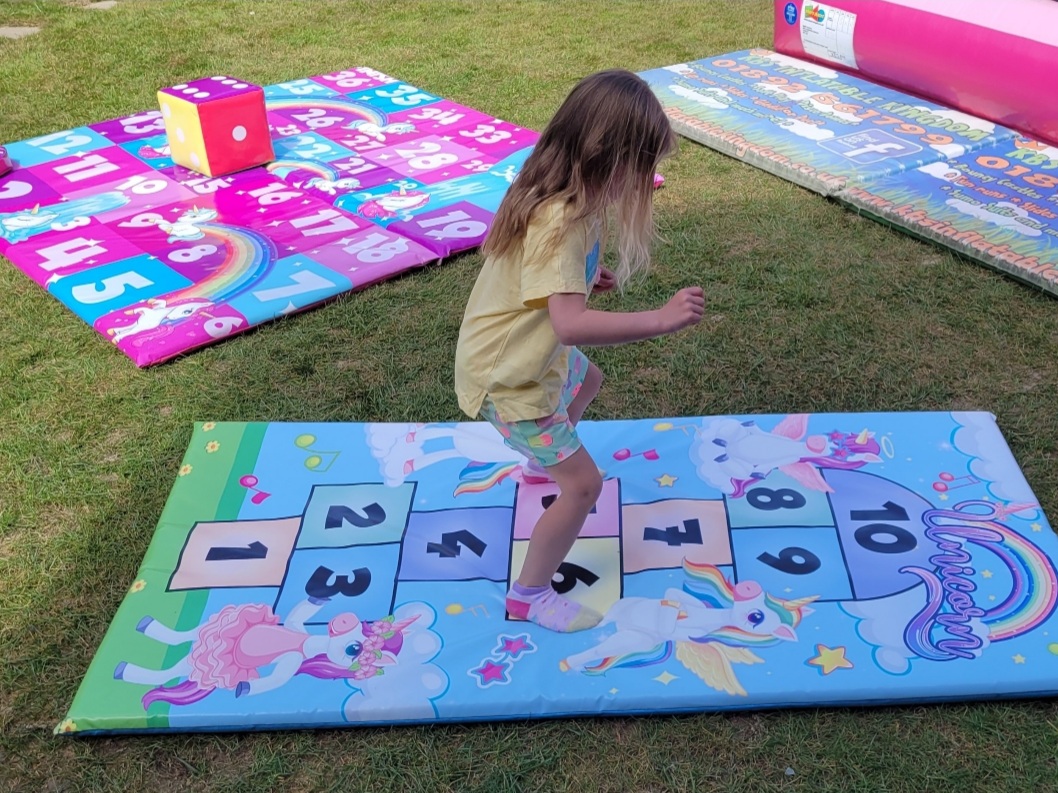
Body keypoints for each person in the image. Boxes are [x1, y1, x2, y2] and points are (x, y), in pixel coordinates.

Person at [454, 69, 705, 633]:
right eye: (639, 168)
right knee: (583, 487)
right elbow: (569, 325)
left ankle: (541, 462)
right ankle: (529, 595)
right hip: (511, 379)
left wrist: (585, 276)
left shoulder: (559, 190)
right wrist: (661, 319)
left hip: (518, 355)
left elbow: (543, 279)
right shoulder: (562, 220)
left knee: (588, 380)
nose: (642, 183)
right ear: (606, 157)